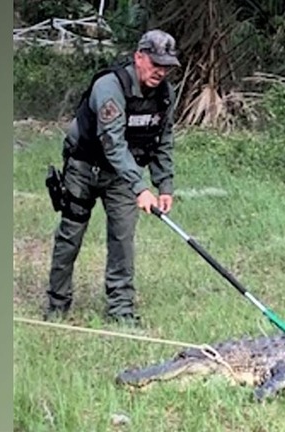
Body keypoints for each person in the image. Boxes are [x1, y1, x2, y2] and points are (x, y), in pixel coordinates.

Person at [43, 29, 181, 326]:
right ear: (138, 57)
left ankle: (121, 311)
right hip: (84, 167)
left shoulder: (165, 96)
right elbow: (112, 142)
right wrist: (141, 187)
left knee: (123, 238)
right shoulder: (109, 86)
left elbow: (163, 139)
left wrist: (164, 184)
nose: (161, 71)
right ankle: (57, 304)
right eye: (155, 63)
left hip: (122, 176)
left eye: (167, 65)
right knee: (71, 234)